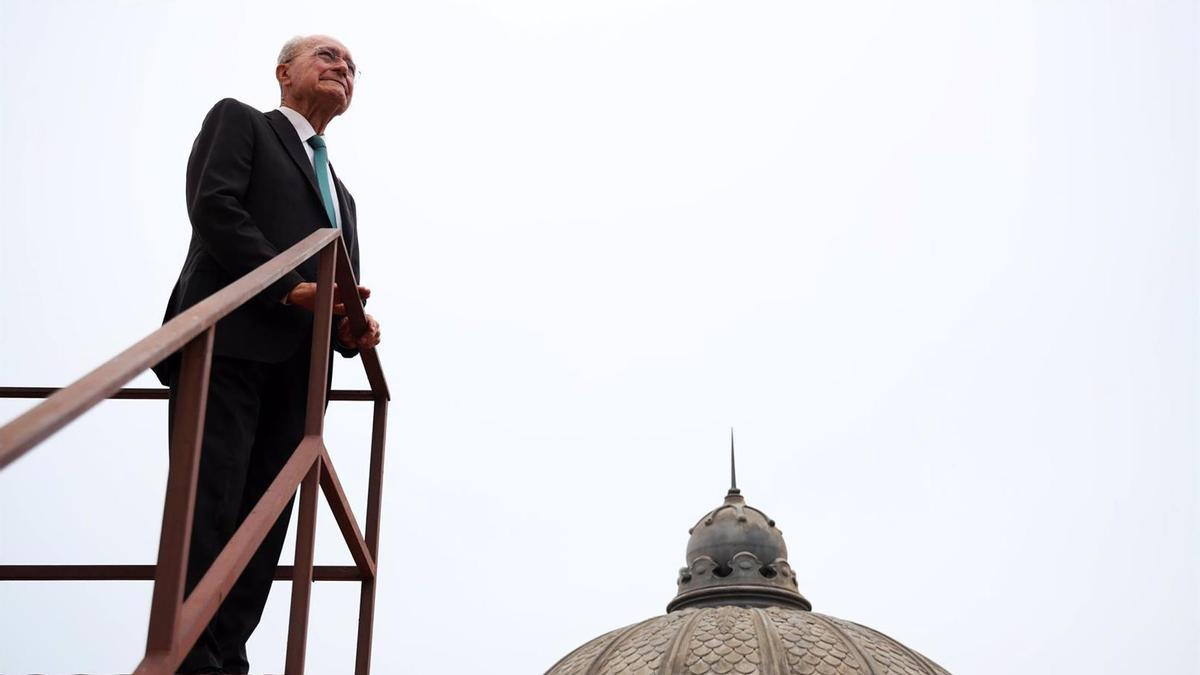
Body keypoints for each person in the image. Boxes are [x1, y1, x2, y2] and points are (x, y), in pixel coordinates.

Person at [152, 35, 382, 675]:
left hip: (300, 376)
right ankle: (187, 654)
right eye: (327, 57)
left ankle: (227, 658)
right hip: (227, 344)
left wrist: (352, 330)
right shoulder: (240, 121)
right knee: (211, 498)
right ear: (284, 72)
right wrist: (289, 287)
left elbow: (337, 289)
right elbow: (214, 209)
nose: (343, 68)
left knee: (266, 522)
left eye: (352, 67)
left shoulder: (343, 194)